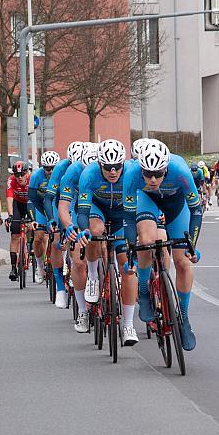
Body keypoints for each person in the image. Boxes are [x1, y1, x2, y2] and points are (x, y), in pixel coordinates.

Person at [123, 141, 202, 351]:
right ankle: (144, 291)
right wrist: (132, 249)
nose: (153, 179)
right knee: (147, 242)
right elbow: (129, 218)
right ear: (141, 169)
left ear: (166, 168)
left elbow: (196, 211)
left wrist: (191, 246)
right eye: (148, 174)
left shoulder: (181, 170)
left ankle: (183, 318)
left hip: (176, 205)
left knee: (183, 262)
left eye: (158, 174)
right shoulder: (131, 175)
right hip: (146, 201)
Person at [75, 139, 139, 346]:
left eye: (117, 167)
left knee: (128, 267)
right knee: (95, 231)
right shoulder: (89, 174)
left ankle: (128, 324)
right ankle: (93, 276)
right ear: (99, 164)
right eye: (108, 167)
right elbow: (83, 211)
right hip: (97, 210)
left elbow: (137, 209)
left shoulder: (131, 172)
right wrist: (84, 231)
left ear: (123, 164)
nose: (113, 171)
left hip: (122, 215)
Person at [60, 143, 97, 333]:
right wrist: (68, 226)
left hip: (102, 206)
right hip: (78, 206)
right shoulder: (72, 172)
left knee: (110, 245)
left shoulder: (107, 171)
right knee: (78, 260)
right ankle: (83, 311)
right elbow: (64, 207)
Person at [42, 142, 84, 308]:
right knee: (56, 239)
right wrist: (52, 219)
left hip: (82, 199)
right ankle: (60, 288)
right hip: (62, 199)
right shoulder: (60, 168)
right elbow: (49, 198)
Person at [28, 151, 60, 284]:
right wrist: (33, 219)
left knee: (60, 236)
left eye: (54, 168)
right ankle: (40, 267)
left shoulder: (63, 175)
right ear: (43, 167)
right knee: (38, 237)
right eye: (47, 168)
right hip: (40, 206)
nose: (51, 171)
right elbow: (31, 199)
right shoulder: (36, 176)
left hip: (57, 206)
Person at [6, 161, 34, 281]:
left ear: (27, 172)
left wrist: (33, 219)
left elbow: (36, 200)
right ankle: (13, 268)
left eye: (22, 174)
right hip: (17, 204)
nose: (20, 177)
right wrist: (10, 216)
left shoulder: (32, 179)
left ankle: (31, 245)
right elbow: (9, 199)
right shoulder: (11, 180)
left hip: (30, 203)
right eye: (17, 175)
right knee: (15, 236)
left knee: (33, 226)